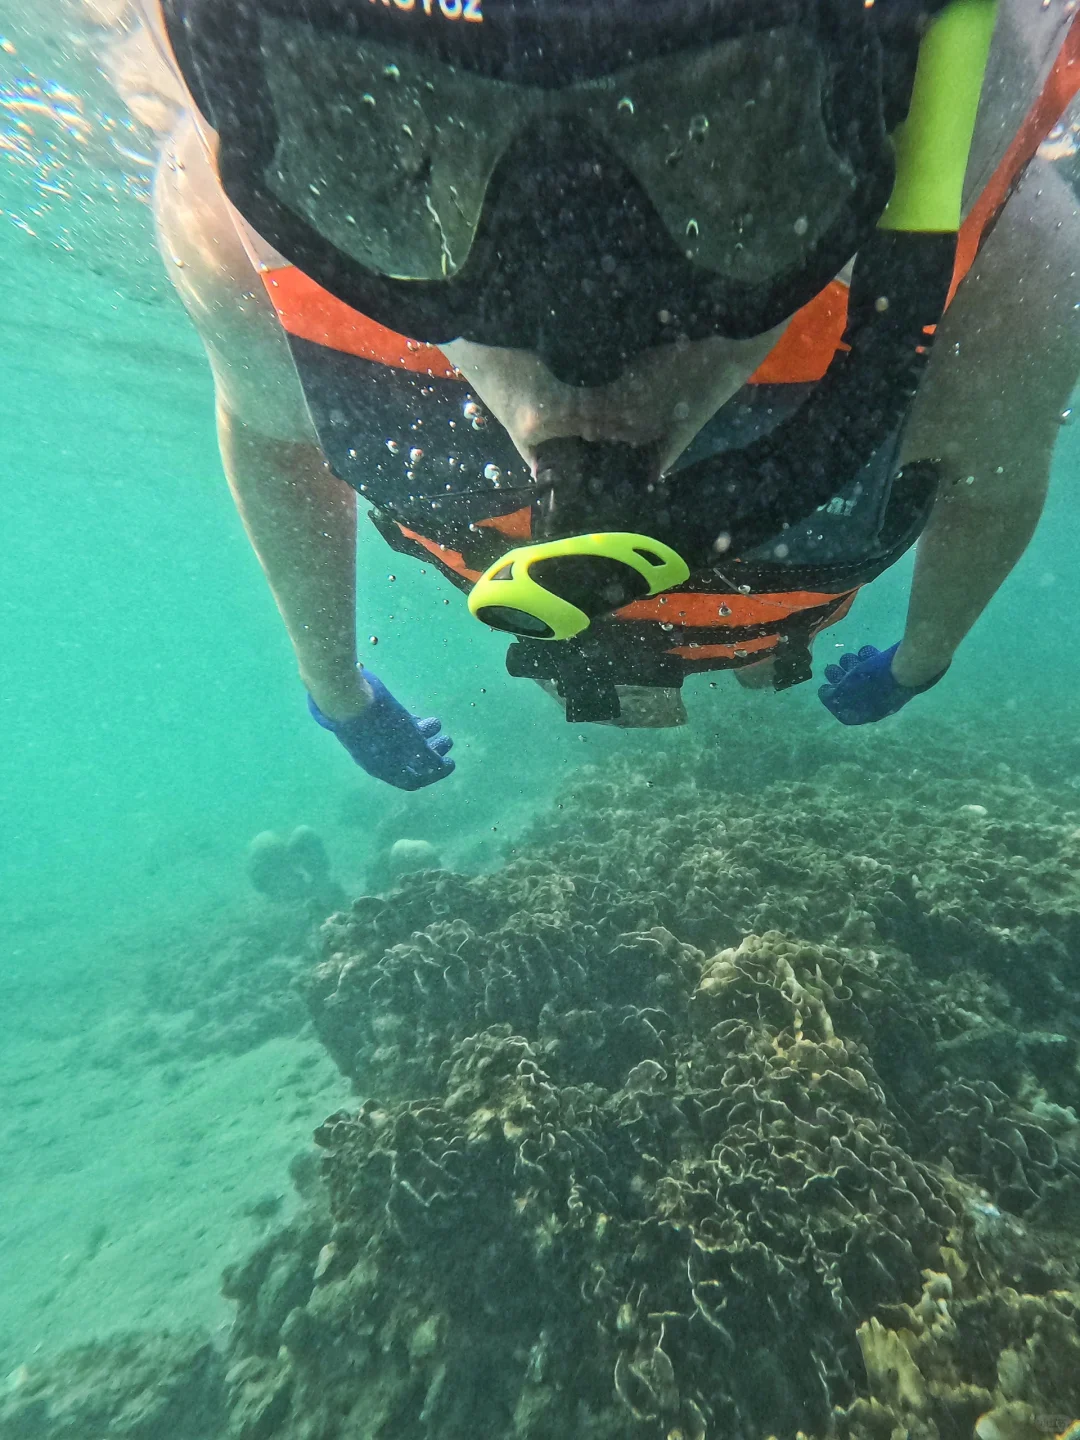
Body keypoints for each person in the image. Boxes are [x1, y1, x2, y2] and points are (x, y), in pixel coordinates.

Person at [128, 0, 1080, 789]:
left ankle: (757, 661)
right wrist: (918, 661)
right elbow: (272, 437)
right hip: (754, 589)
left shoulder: (1016, 286)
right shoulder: (233, 245)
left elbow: (999, 491)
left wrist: (339, 691)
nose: (575, 349)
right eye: (392, 139)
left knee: (758, 666)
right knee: (673, 653)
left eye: (720, 152)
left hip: (765, 616)